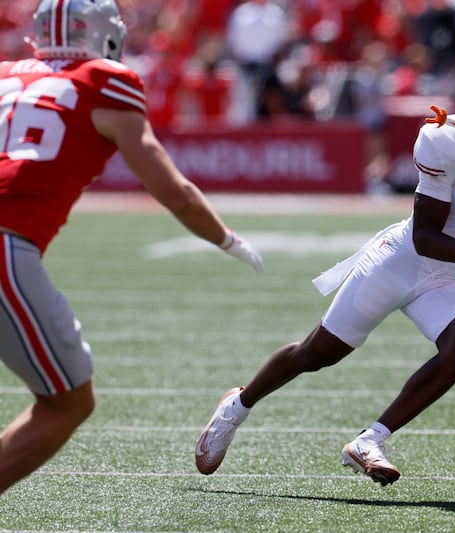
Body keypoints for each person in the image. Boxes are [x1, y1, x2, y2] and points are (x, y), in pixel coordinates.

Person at [195, 47, 455, 486]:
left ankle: (371, 440)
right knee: (317, 353)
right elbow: (426, 235)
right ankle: (237, 405)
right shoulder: (446, 139)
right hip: (401, 258)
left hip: (447, 275)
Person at [0, 0, 263, 495]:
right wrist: (225, 238)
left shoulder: (6, 73)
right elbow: (174, 191)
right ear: (104, 34)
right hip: (5, 245)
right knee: (68, 403)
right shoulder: (104, 78)